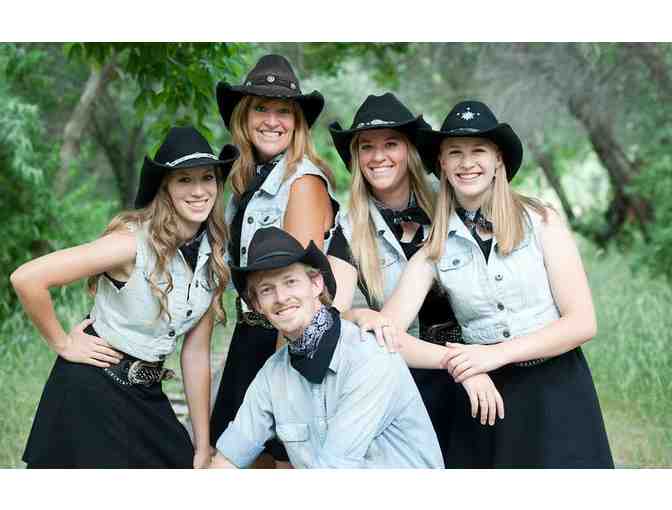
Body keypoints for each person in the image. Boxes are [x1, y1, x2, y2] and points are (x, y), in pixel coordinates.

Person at [375, 100, 614, 468]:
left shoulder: (541, 221)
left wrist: (498, 353)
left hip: (559, 391)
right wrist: (456, 362)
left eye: (478, 150)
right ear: (442, 163)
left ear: (498, 159)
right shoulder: (434, 249)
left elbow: (583, 322)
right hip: (488, 400)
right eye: (455, 152)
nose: (466, 162)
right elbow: (387, 337)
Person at [10, 126, 239, 468]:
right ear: (165, 188)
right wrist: (63, 343)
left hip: (145, 393)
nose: (198, 190)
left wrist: (202, 445)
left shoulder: (213, 257)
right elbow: (27, 278)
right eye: (184, 180)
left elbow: (195, 354)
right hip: (92, 388)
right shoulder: (131, 243)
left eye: (207, 178)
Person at [327, 93, 504, 464]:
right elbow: (331, 315)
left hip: (481, 365)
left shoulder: (453, 200)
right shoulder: (348, 227)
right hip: (405, 376)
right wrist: (360, 314)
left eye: (391, 143)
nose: (378, 156)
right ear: (356, 158)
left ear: (410, 150)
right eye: (367, 147)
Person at [210, 227, 444, 468]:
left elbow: (335, 469)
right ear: (257, 305)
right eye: (267, 290)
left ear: (316, 284)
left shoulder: (367, 355)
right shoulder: (273, 374)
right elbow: (227, 459)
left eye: (290, 282)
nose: (281, 297)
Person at [209, 54, 340, 467]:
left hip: (286, 341)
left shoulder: (302, 182)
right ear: (244, 118)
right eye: (260, 109)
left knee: (277, 460)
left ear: (297, 123)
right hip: (251, 336)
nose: (271, 120)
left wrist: (284, 379)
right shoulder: (246, 181)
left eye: (283, 111)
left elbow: (296, 294)